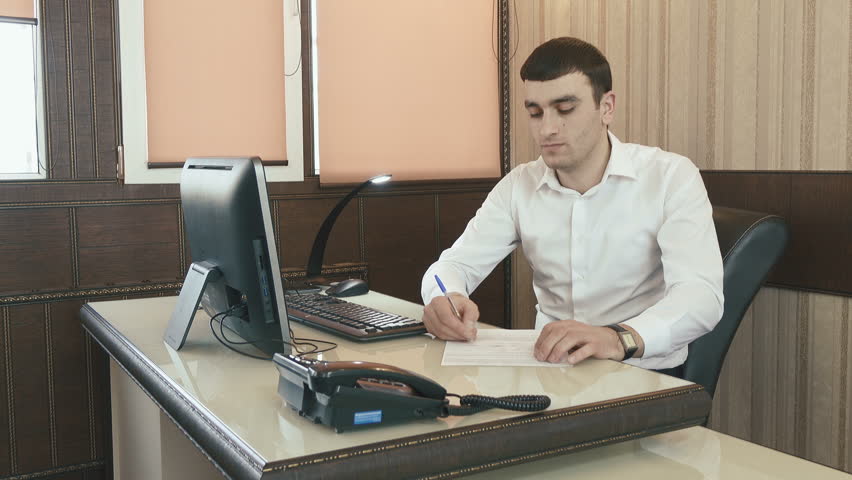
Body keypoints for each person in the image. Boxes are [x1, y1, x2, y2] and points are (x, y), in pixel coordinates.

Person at [420, 37, 723, 374]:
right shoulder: (519, 185)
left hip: (643, 370)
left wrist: (616, 338)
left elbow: (701, 296)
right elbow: (452, 267)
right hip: (550, 371)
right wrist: (441, 297)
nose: (547, 129)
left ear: (606, 107)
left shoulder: (670, 177)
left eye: (565, 109)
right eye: (535, 112)